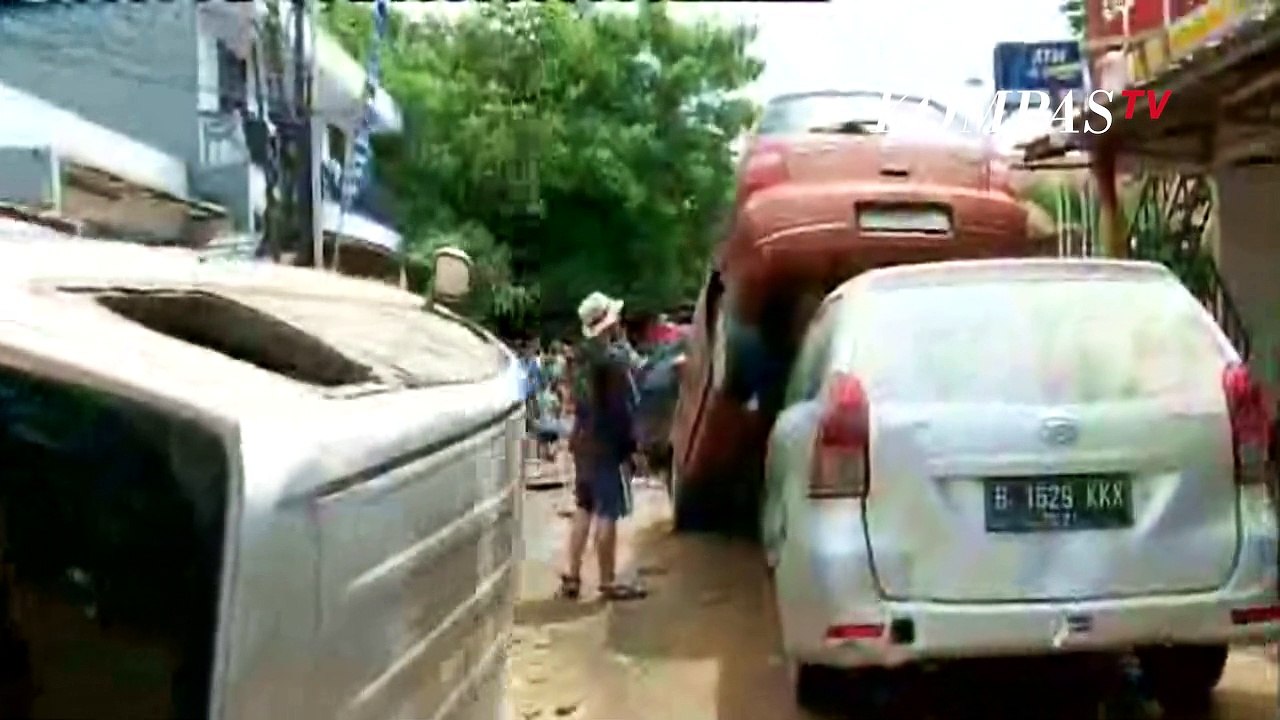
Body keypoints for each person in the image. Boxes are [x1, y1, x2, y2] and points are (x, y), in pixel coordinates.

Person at [558, 291, 647, 601]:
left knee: (584, 506)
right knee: (607, 511)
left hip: (582, 440)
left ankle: (572, 575)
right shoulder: (613, 361)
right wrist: (633, 446)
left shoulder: (578, 357)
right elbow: (624, 408)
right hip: (606, 445)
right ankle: (608, 581)